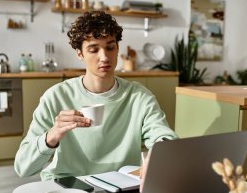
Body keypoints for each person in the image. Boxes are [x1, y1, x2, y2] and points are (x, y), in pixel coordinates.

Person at [14, 11, 178, 183]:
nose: (104, 57)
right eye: (93, 49)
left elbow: (164, 136)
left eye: (110, 47)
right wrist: (51, 136)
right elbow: (23, 168)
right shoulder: (56, 97)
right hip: (68, 184)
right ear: (79, 53)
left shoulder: (139, 97)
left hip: (121, 185)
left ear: (117, 48)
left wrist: (159, 154)